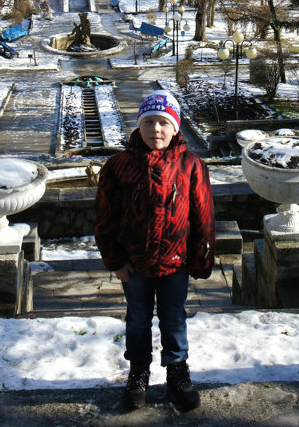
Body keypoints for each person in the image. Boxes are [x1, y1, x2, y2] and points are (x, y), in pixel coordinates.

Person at [95, 90, 215, 411]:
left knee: (174, 318)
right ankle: (138, 372)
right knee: (137, 320)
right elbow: (105, 216)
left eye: (163, 122)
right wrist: (116, 260)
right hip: (134, 264)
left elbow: (203, 215)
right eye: (149, 122)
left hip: (176, 262)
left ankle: (177, 371)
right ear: (139, 126)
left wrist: (200, 258)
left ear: (175, 127)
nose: (156, 130)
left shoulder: (191, 165)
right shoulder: (119, 166)